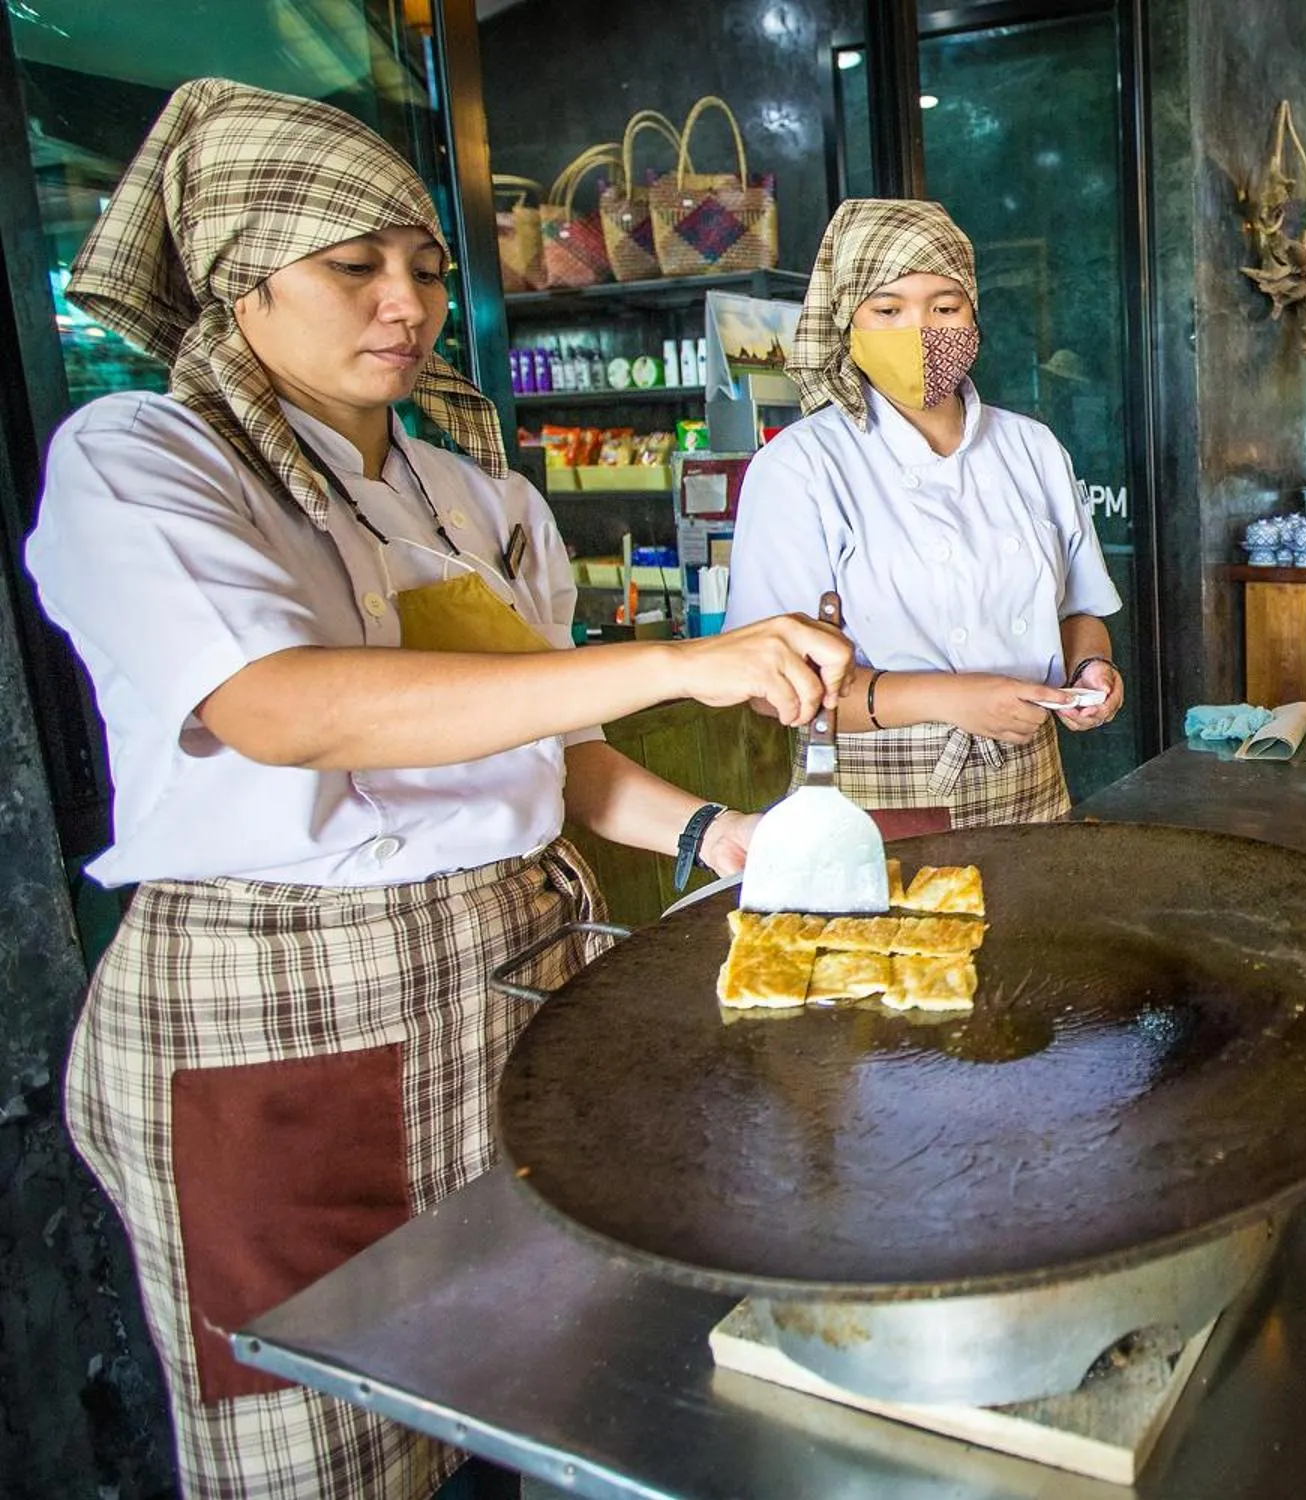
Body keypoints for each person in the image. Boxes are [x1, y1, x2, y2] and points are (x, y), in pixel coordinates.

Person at [24, 79, 853, 1499]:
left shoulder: (466, 493)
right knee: (326, 1444)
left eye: (419, 267)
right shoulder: (142, 461)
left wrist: (722, 830)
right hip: (284, 1024)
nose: (401, 303)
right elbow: (276, 707)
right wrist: (675, 660)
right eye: (352, 269)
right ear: (240, 283)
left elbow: (542, 747)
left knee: (534, 1395)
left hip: (509, 979)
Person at [723, 198, 1124, 826]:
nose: (922, 331)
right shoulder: (801, 465)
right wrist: (952, 700)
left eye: (945, 307)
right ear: (846, 323)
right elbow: (768, 689)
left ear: (973, 313)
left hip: (1033, 782)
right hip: (877, 795)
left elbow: (1079, 609)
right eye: (888, 310)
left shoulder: (1031, 447)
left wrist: (1089, 669)